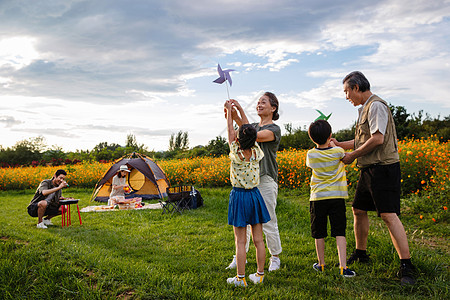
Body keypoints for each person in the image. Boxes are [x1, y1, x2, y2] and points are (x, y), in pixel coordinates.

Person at [331, 71, 416, 285]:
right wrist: (340, 144)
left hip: (384, 168)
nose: (346, 96)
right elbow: (363, 139)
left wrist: (351, 156)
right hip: (369, 169)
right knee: (358, 209)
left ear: (356, 88)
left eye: (347, 91)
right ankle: (361, 253)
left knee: (388, 215)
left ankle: (407, 265)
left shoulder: (376, 105)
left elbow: (377, 139)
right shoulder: (364, 109)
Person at [225, 92, 283, 272]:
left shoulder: (274, 129)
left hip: (265, 179)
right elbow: (245, 130)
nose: (259, 105)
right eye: (258, 102)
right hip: (249, 184)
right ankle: (240, 256)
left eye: (263, 102)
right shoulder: (253, 127)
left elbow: (251, 135)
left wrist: (239, 114)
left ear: (273, 108)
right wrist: (231, 112)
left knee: (268, 220)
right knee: (245, 223)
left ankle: (275, 257)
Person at [224, 100, 271, 287]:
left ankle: (240, 278)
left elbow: (230, 130)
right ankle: (259, 275)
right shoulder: (257, 151)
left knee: (240, 241)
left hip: (239, 196)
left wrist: (229, 113)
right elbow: (246, 128)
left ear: (237, 139)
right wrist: (240, 110)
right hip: (255, 196)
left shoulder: (235, 151)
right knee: (259, 239)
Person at [306, 120, 355, 277]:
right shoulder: (337, 151)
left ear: (312, 138)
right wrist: (333, 144)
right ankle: (343, 267)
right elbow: (342, 154)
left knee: (319, 231)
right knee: (339, 231)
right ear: (330, 135)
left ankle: (321, 264)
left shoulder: (311, 154)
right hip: (337, 197)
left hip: (318, 197)